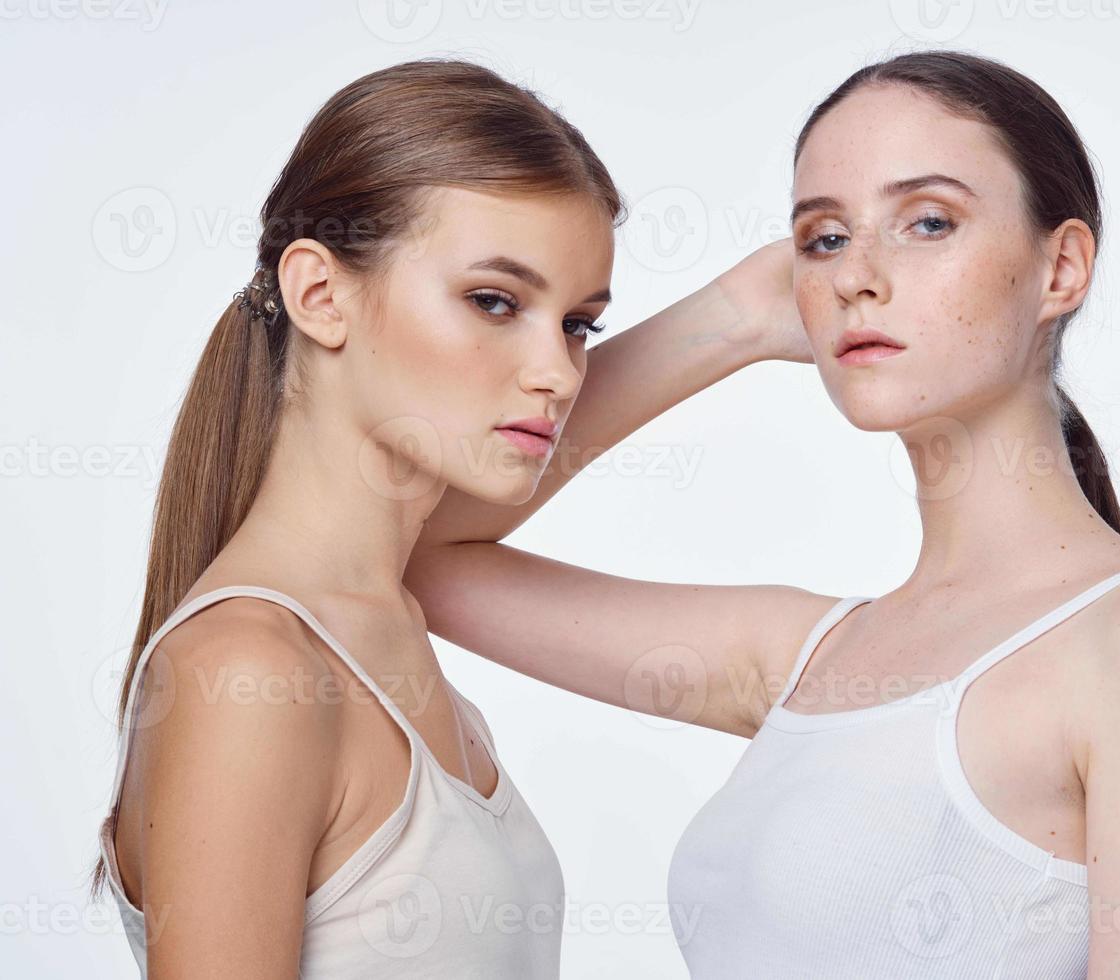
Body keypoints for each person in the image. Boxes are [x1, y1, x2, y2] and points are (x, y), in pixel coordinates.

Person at [404, 51, 1120, 978]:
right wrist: (727, 320)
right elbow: (418, 549)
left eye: (928, 222)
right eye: (822, 239)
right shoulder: (810, 664)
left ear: (1061, 266)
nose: (858, 275)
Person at [91, 58, 798, 977]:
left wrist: (741, 318)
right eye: (493, 302)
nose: (557, 373)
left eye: (578, 323)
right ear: (319, 295)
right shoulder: (250, 673)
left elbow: (442, 536)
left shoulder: (382, 612)